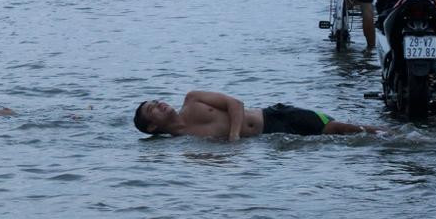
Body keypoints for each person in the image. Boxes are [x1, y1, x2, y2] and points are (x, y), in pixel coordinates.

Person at [132, 90, 377, 139]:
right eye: (152, 109)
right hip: (272, 140)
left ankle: (396, 134)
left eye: (156, 101)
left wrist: (234, 136)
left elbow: (235, 103)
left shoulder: (192, 99)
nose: (159, 104)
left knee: (342, 129)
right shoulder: (185, 145)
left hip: (276, 117)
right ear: (152, 127)